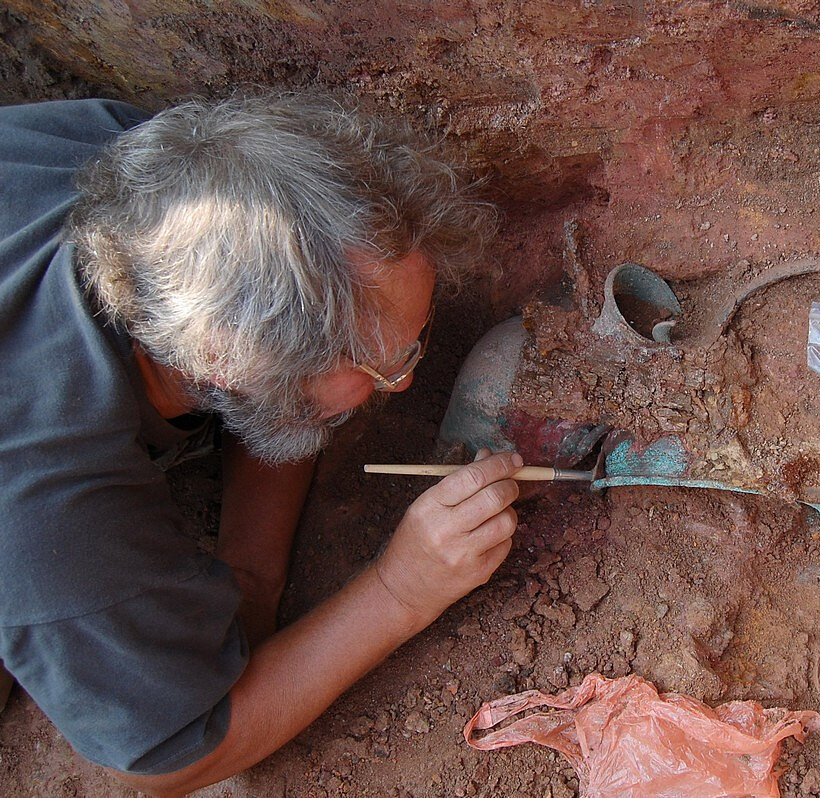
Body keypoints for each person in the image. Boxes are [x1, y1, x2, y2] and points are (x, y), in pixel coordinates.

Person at [0, 93, 523, 796]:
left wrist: (250, 577)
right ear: (231, 369)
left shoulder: (169, 171)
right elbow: (180, 755)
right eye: (383, 366)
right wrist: (401, 590)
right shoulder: (51, 522)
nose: (403, 385)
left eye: (415, 343)